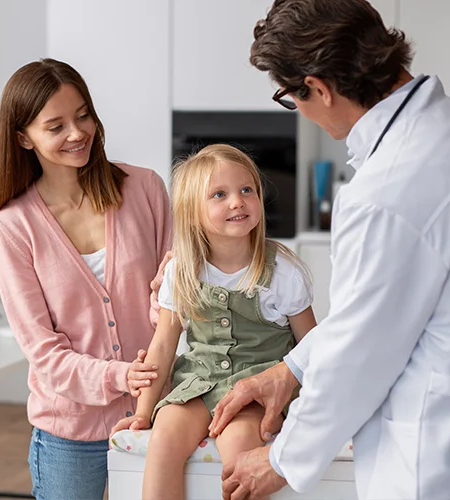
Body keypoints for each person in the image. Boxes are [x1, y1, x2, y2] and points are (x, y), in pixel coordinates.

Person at [209, 1, 450, 499]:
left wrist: (283, 458)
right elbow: (377, 314)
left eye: (289, 96)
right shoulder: (436, 134)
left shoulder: (385, 191)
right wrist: (290, 369)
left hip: (430, 455)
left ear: (317, 88)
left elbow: (361, 349)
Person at [0, 58, 171, 500]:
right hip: (69, 433)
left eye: (83, 114)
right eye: (55, 126)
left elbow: (175, 304)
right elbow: (45, 355)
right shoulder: (13, 227)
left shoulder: (144, 189)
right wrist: (121, 376)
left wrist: (169, 297)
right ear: (23, 138)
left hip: (158, 418)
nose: (77, 133)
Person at [111, 144, 317, 499]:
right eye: (219, 194)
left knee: (239, 444)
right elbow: (163, 345)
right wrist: (143, 413)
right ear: (193, 213)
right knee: (165, 436)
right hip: (198, 381)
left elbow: (313, 346)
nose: (237, 201)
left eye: (246, 190)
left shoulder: (283, 270)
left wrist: (309, 413)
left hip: (256, 389)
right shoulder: (181, 271)